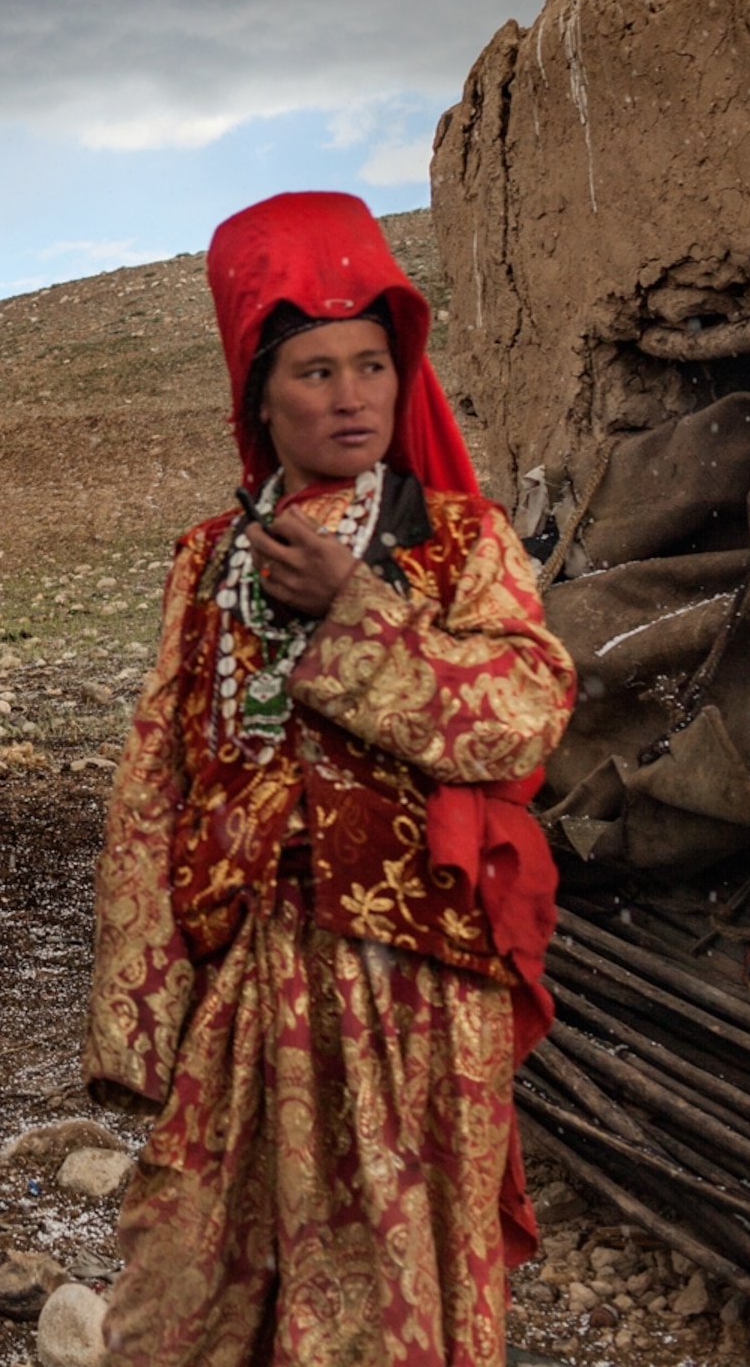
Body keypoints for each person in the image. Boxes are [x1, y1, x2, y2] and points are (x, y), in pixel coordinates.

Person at [80, 192, 575, 1367]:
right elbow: (160, 766)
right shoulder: (210, 557)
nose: (351, 393)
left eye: (370, 364)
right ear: (262, 394)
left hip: (408, 984)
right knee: (183, 1284)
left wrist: (355, 613)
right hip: (247, 974)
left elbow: (524, 711)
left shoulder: (460, 539)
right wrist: (138, 1002)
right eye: (314, 369)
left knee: (377, 1290)